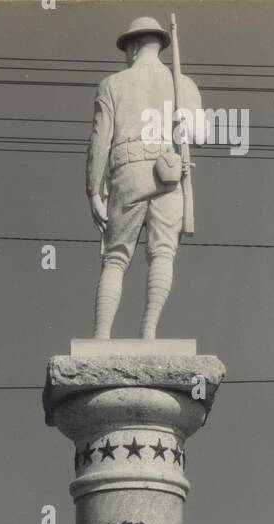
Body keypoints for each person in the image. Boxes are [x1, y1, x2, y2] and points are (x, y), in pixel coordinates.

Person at [87, 16, 202, 339]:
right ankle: (149, 332)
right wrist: (184, 118)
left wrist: (94, 191)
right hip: (169, 173)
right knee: (162, 254)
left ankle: (101, 335)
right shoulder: (182, 83)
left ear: (134, 47)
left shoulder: (113, 84)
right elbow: (202, 133)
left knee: (116, 257)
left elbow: (100, 140)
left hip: (128, 171)